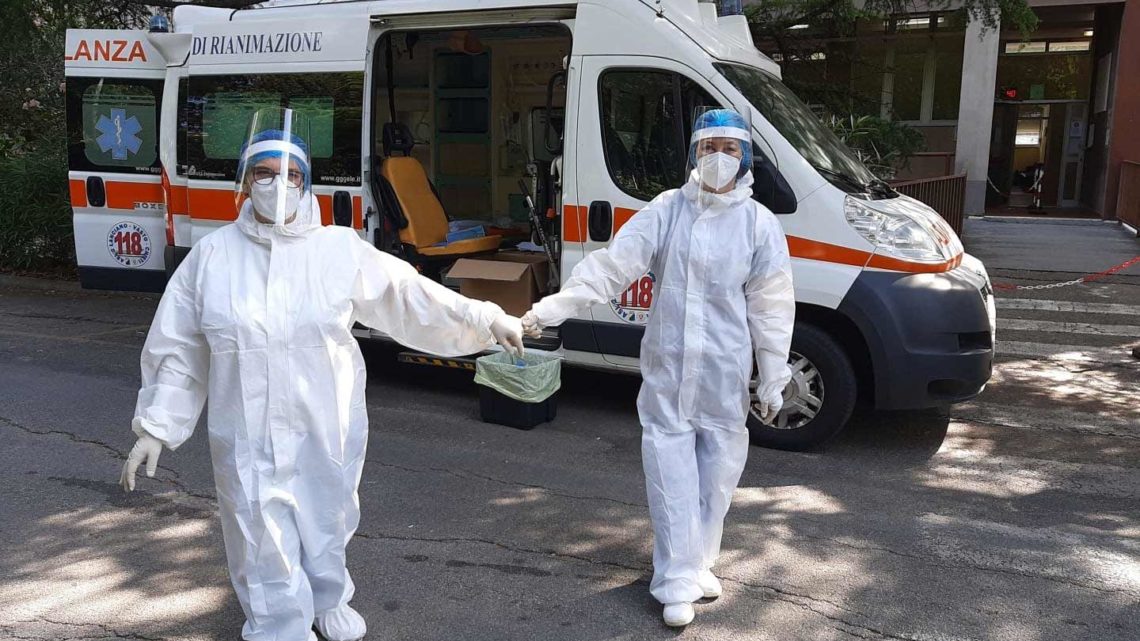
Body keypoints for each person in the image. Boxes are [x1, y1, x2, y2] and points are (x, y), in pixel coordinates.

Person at [119, 108, 525, 641]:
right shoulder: (212, 258)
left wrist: (484, 317)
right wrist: (157, 426)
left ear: (306, 182)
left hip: (325, 421)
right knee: (257, 525)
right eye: (264, 173)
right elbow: (179, 346)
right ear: (245, 182)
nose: (278, 185)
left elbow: (407, 294)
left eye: (291, 174)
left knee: (328, 515)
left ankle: (328, 597)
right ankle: (279, 624)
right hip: (247, 428)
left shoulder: (337, 250)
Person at [522, 108, 795, 627]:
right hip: (669, 369)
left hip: (722, 373)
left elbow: (772, 304)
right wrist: (554, 307)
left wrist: (773, 373)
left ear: (745, 158)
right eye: (709, 147)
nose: (719, 158)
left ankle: (699, 562)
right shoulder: (668, 210)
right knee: (671, 475)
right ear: (693, 153)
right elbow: (613, 266)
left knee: (717, 478)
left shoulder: (759, 224)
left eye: (730, 149)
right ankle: (673, 580)